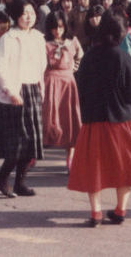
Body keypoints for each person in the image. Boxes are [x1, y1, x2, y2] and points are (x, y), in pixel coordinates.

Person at [68, 13, 131, 226]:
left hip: (93, 120)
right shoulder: (124, 57)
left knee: (94, 168)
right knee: (124, 168)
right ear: (121, 33)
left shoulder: (89, 56)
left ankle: (96, 213)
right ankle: (120, 210)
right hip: (121, 119)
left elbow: (80, 86)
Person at [0, 0, 47, 198]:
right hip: (15, 91)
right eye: (24, 14)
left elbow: (41, 67)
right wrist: (10, 91)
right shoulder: (8, 38)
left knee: (32, 143)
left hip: (33, 90)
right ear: (16, 16)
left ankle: (20, 183)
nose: (28, 17)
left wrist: (42, 89)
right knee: (18, 143)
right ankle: (1, 178)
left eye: (31, 13)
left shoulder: (38, 37)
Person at [42, 11, 83, 170]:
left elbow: (80, 56)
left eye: (60, 27)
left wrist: (73, 68)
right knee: (46, 118)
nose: (57, 31)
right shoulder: (45, 43)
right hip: (50, 81)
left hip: (68, 83)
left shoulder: (72, 42)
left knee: (70, 120)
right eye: (53, 27)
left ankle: (70, 156)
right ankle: (33, 154)